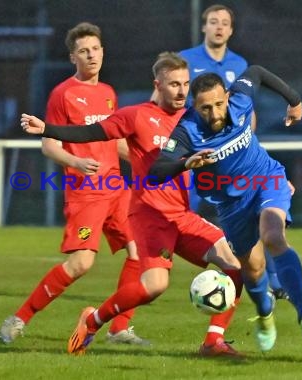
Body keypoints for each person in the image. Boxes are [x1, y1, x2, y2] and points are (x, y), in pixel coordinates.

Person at [20, 52, 253, 357]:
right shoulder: (136, 116)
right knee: (155, 286)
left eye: (185, 83)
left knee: (235, 266)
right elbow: (91, 132)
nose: (182, 91)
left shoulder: (195, 117)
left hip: (181, 215)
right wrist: (48, 129)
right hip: (149, 216)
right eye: (173, 84)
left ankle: (213, 341)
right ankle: (93, 320)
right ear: (158, 85)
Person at [148, 67, 302, 344]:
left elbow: (256, 72)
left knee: (273, 236)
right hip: (231, 205)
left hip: (267, 178)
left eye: (219, 104)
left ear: (228, 96)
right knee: (253, 270)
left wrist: (294, 100)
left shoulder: (241, 99)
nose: (215, 114)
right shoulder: (186, 131)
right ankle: (265, 312)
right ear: (196, 107)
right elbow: (156, 172)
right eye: (206, 108)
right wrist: (185, 163)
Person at [0, 22, 148, 346]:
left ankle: (119, 328)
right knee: (81, 263)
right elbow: (49, 144)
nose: (91, 55)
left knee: (141, 252)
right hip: (86, 194)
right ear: (73, 57)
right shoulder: (63, 94)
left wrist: (147, 163)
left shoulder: (108, 93)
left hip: (116, 190)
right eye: (84, 50)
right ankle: (19, 319)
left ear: (103, 52)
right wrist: (77, 163)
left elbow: (114, 141)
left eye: (95, 48)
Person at [181, 4, 289, 302]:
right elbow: (169, 101)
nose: (218, 27)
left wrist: (244, 139)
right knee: (182, 217)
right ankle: (161, 265)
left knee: (261, 212)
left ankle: (274, 282)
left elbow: (244, 108)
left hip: (235, 160)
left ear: (231, 30)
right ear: (203, 27)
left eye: (224, 23)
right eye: (213, 21)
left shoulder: (239, 62)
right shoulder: (186, 60)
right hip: (196, 161)